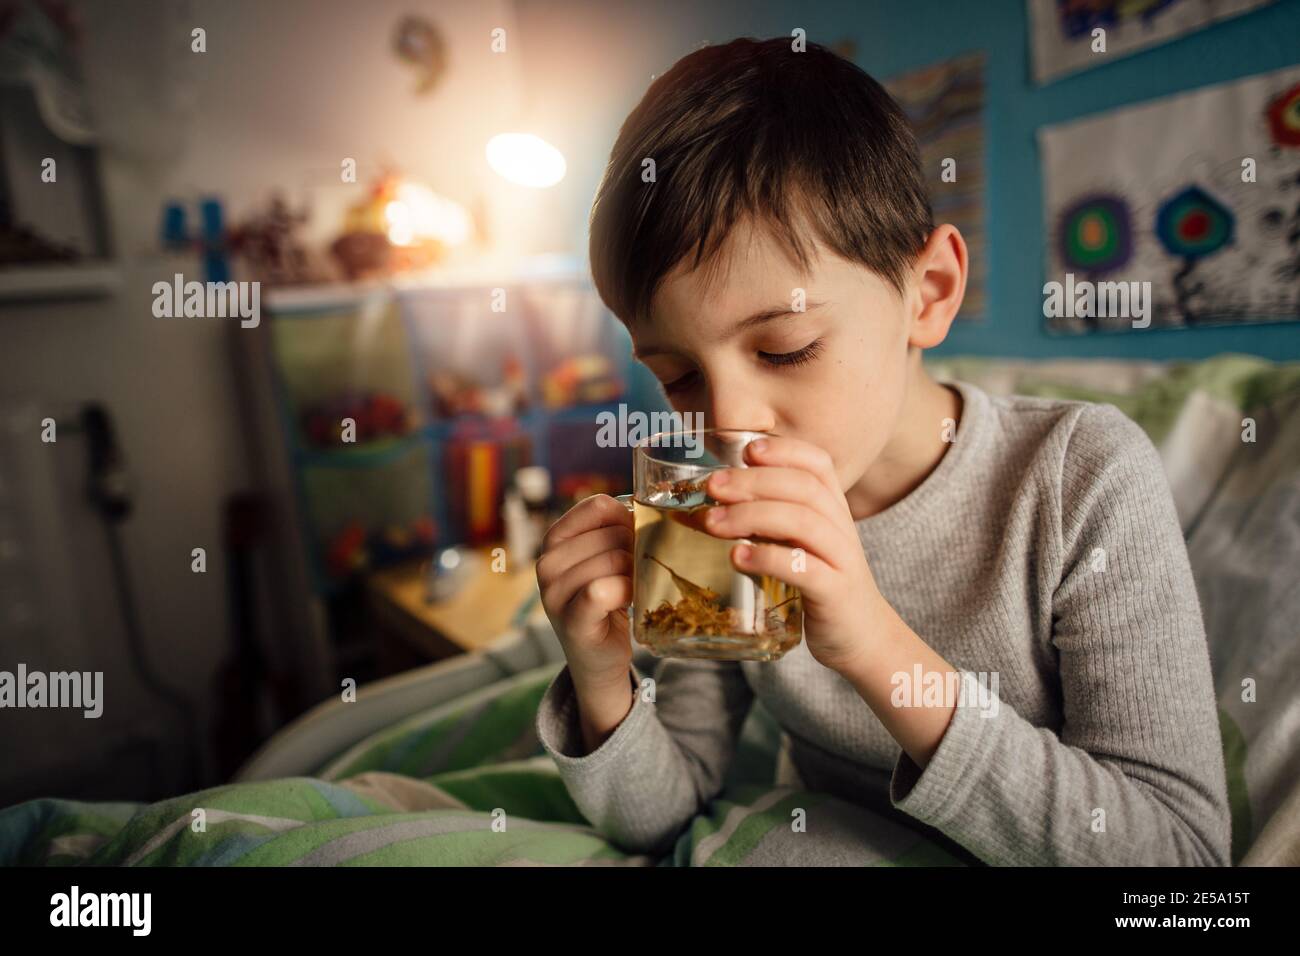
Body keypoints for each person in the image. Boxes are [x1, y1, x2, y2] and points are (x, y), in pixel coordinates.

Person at [533, 36, 1231, 866]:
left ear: (928, 293)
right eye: (679, 376)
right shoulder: (721, 516)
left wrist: (873, 646)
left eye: (785, 348)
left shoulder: (1079, 478)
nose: (728, 422)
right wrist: (600, 676)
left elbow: (1184, 865)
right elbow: (664, 813)